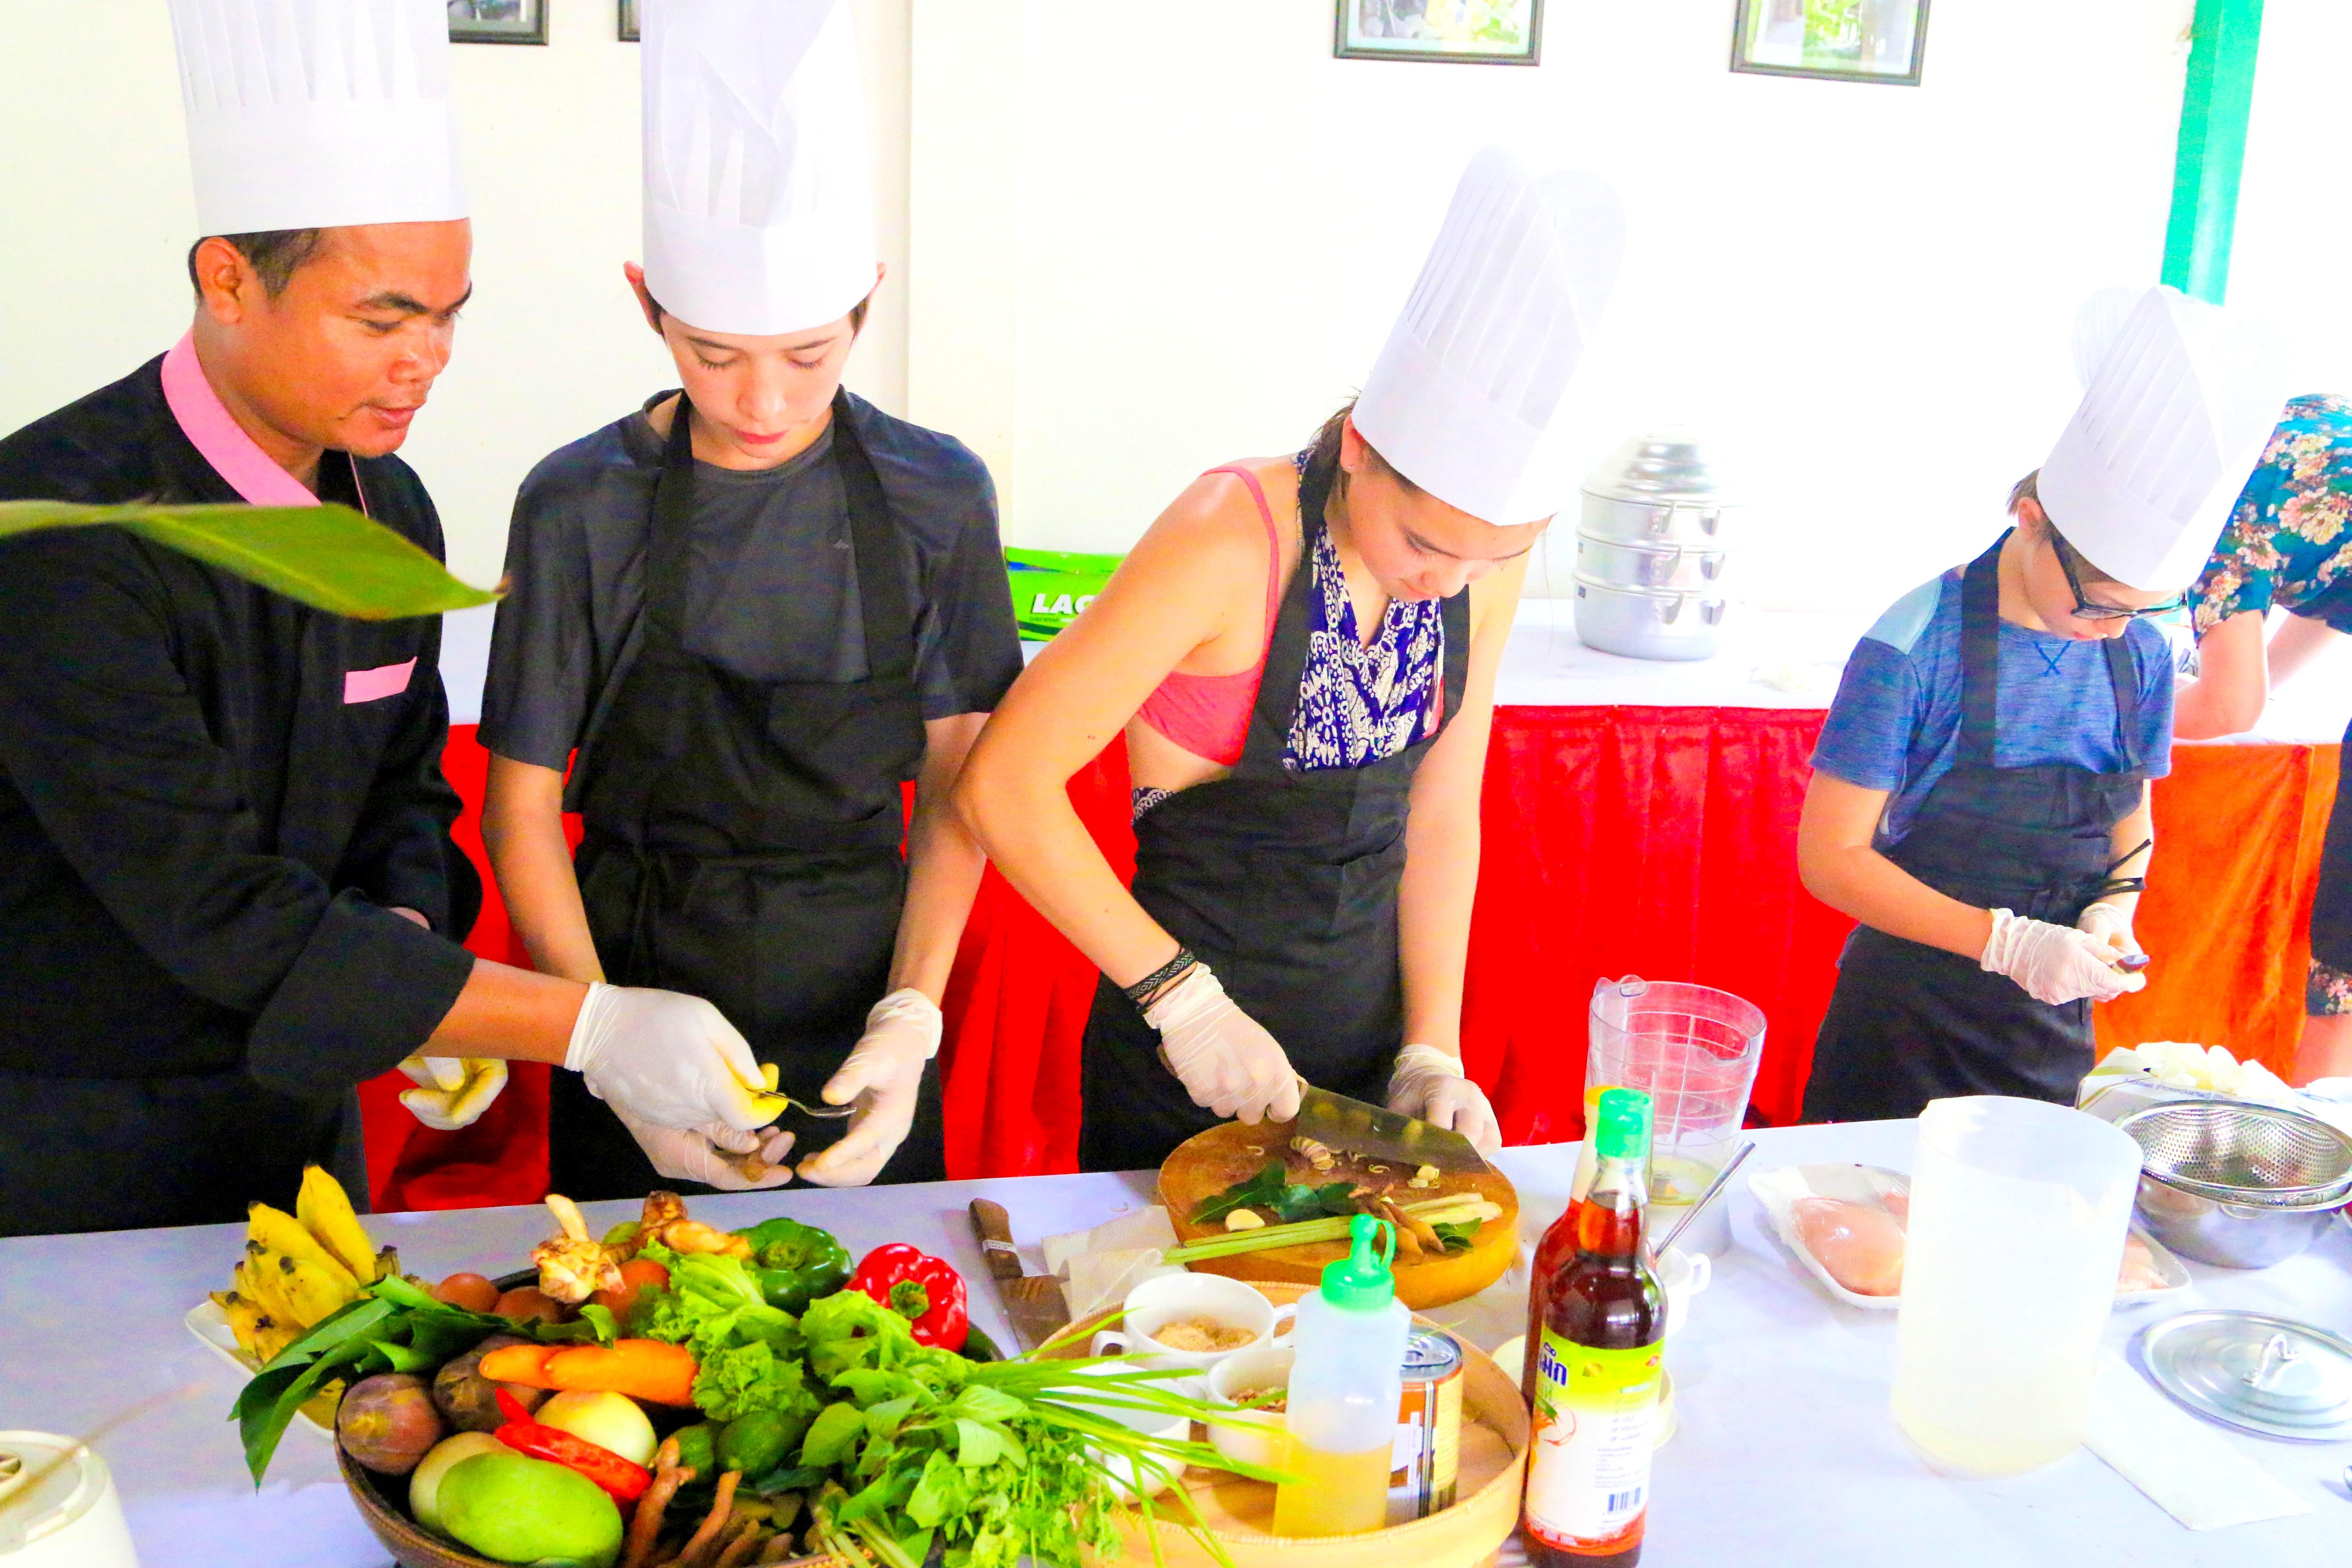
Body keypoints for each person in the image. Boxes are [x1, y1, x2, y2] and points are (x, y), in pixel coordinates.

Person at [0, 0, 781, 1237]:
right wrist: (585, 1024)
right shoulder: (58, 534)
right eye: (382, 318)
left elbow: (405, 790)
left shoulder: (391, 505)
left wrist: (410, 975)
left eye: (449, 312)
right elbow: (212, 905)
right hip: (70, 1135)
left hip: (301, 1116)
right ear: (229, 280)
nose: (431, 358)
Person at [957, 147, 1624, 1170]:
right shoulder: (1231, 536)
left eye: (1501, 556)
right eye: (1426, 544)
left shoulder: (1473, 570)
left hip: (1366, 1059)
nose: (1447, 584)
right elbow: (1004, 784)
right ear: (1361, 446)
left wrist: (1431, 1046)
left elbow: (1441, 813)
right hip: (1183, 1061)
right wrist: (1181, 1001)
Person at [478, 0, 1021, 1197]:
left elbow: (960, 784)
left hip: (860, 1003)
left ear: (866, 300)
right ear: (647, 302)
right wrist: (604, 1046)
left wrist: (914, 1017)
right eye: (714, 355)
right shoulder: (579, 503)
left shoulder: (939, 497)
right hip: (632, 984)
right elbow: (520, 810)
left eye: (811, 356)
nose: (762, 403)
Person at [1798, 285, 2285, 1121]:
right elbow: (1831, 858)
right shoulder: (1917, 646)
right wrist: (2006, 942)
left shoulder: (2135, 651)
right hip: (1904, 1025)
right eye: (2097, 603)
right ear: (2031, 520)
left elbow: (2129, 812)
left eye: (2142, 610)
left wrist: (2113, 907)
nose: (2112, 630)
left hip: (2044, 1034)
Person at [2172, 395, 2352, 1083]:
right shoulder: (2301, 416)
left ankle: (2313, 1170)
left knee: (2343, 966)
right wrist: (2257, 671)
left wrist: (2110, 720)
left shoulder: (2219, 508)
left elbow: (2228, 707)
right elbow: (2335, 583)